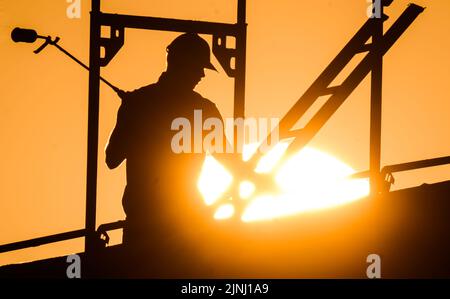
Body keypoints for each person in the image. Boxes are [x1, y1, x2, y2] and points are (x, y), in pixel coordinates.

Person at [105, 33, 239, 276]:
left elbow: (111, 157)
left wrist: (135, 117)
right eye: (198, 67)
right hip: (179, 224)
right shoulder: (203, 110)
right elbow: (229, 160)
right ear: (180, 64)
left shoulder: (138, 103)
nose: (202, 74)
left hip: (145, 223)